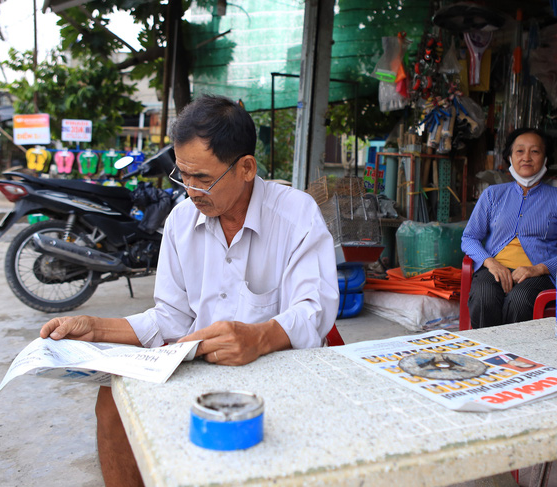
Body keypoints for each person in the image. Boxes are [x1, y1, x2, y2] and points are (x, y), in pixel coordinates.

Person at [39, 94, 339, 487]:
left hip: (279, 363)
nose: (191, 190)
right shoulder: (181, 221)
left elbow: (314, 309)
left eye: (203, 179)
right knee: (113, 402)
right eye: (182, 176)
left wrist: (260, 336)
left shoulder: (296, 214)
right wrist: (97, 329)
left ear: (246, 168)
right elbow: (171, 318)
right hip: (202, 363)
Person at [461, 127, 557, 328]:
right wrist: (491, 263)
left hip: (537, 275)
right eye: (519, 151)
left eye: (535, 151)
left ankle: (514, 357)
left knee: (519, 301)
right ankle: (486, 354)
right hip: (494, 269)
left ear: (545, 159)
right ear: (509, 157)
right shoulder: (492, 195)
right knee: (484, 297)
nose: (526, 157)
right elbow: (470, 237)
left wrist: (538, 269)